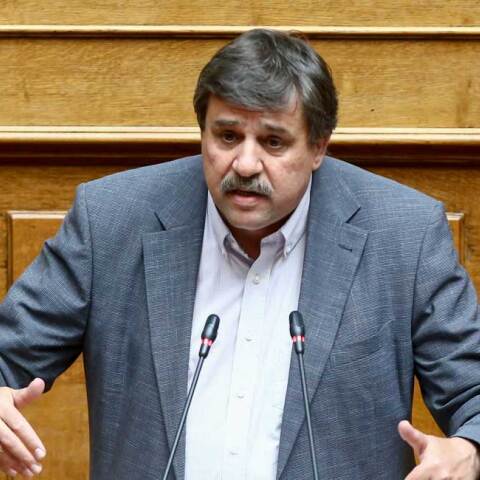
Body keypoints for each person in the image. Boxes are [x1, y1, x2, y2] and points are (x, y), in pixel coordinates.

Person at [0, 28, 479, 480]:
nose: (246, 164)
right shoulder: (112, 221)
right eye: (227, 136)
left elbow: (473, 391)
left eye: (273, 142)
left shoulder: (404, 236)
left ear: (318, 147)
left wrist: (469, 450)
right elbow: (10, 352)